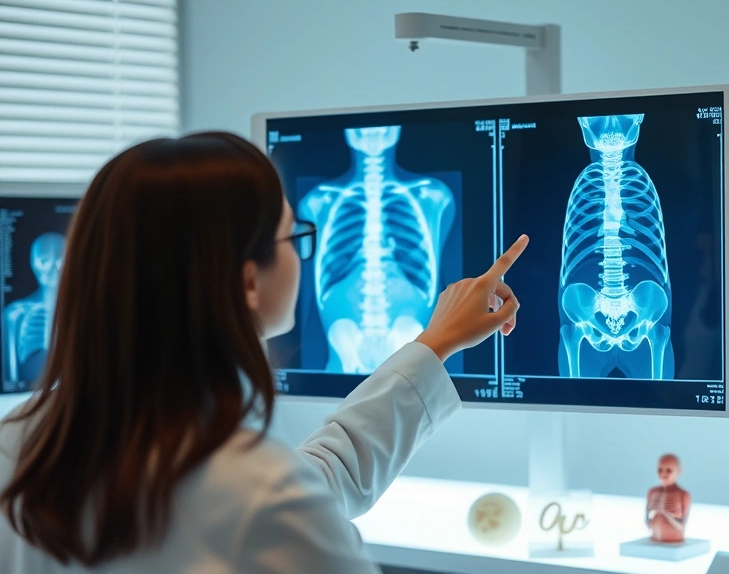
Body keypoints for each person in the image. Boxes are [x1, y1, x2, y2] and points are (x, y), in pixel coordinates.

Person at [0, 131, 528, 573]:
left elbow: (302, 482)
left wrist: (433, 345)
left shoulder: (20, 447)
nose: (301, 253)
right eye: (293, 235)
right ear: (250, 281)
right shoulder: (268, 506)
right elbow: (273, 498)